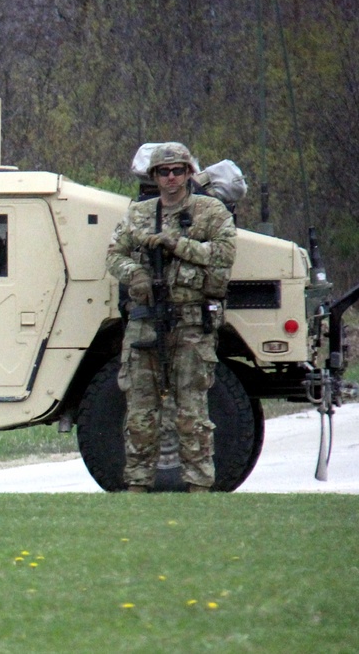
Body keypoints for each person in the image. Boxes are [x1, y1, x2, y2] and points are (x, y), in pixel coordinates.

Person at [106, 142, 236, 493]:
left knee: (192, 410)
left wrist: (176, 245)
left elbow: (223, 253)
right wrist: (136, 274)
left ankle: (199, 485)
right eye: (164, 172)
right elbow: (114, 254)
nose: (172, 178)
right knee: (140, 411)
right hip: (146, 320)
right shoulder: (139, 213)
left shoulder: (210, 211)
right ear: (154, 176)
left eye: (178, 170)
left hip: (192, 322)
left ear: (189, 173)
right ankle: (136, 484)